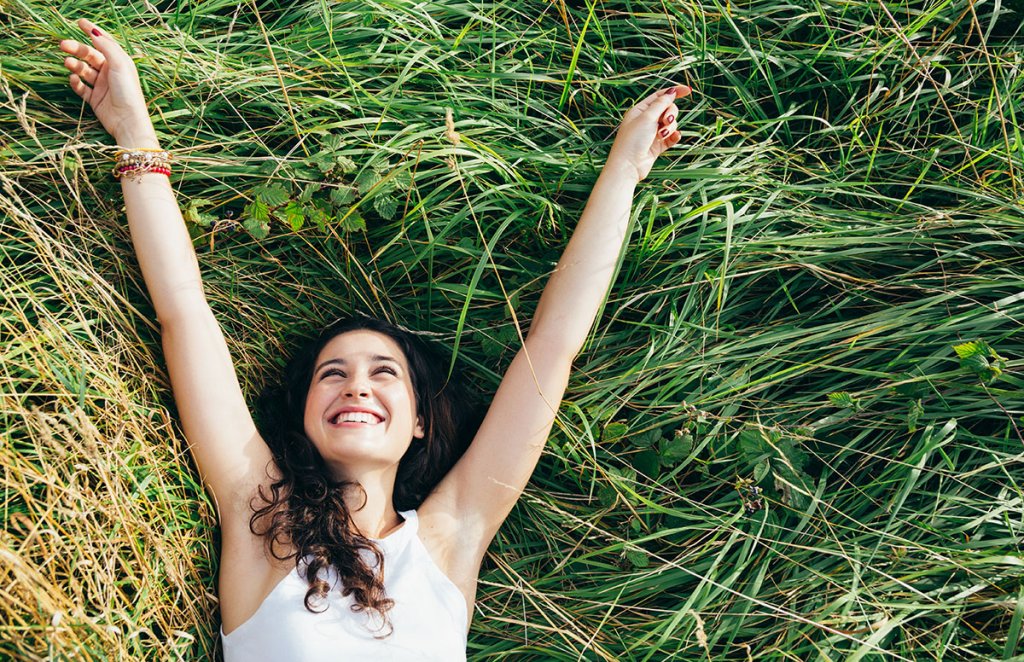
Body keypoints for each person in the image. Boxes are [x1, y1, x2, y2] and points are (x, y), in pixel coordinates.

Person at [58, 16, 690, 660]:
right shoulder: (261, 521)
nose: (356, 382)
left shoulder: (450, 537)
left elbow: (553, 346)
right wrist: (134, 134)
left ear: (419, 420)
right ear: (303, 414)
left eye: (384, 372)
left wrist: (626, 167)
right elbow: (184, 312)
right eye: (331, 373)